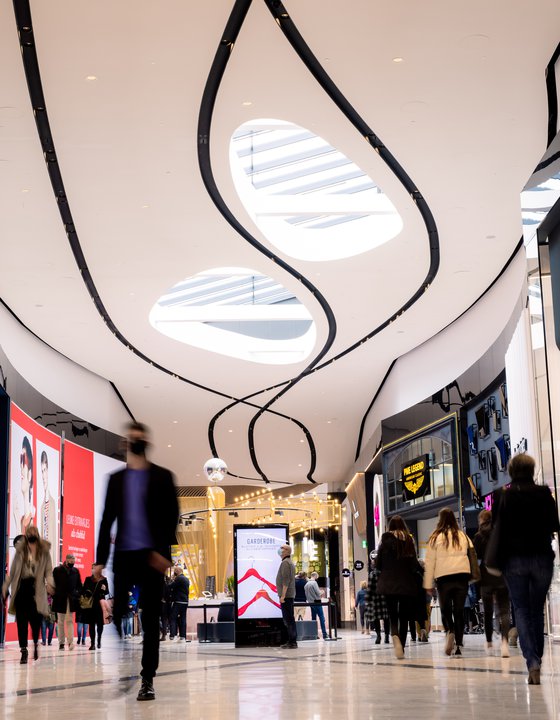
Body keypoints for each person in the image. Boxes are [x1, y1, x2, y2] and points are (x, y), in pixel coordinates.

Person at [95, 421, 179, 702]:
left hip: (151, 557)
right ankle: (127, 657)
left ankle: (147, 678)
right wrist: (99, 561)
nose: (135, 442)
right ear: (126, 444)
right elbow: (107, 520)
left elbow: (171, 517)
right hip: (125, 557)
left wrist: (164, 555)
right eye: (132, 438)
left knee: (151, 618)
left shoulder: (163, 477)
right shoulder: (116, 480)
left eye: (139, 438)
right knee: (117, 616)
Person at [490, 453, 559, 685]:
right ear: (531, 470)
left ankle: (532, 661)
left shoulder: (502, 496)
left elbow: (496, 529)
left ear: (511, 472)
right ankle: (536, 654)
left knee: (520, 608)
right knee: (537, 609)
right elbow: (553, 525)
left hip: (514, 560)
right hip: (541, 557)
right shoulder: (543, 493)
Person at [423, 507, 473, 657]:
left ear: (440, 520)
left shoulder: (435, 537)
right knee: (459, 611)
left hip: (444, 579)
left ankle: (449, 631)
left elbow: (429, 562)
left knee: (446, 610)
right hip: (462, 577)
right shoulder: (463, 536)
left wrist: (428, 584)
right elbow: (471, 554)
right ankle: (458, 643)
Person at [2, 525, 54, 664]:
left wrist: (51, 585)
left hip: (36, 592)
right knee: (22, 624)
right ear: (26, 535)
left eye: (33, 532)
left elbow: (48, 572)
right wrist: (5, 587)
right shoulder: (20, 552)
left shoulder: (44, 552)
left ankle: (36, 645)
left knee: (36, 623)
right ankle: (24, 650)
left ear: (36, 534)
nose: (31, 534)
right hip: (22, 591)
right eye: (28, 532)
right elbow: (12, 573)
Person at [376, 515, 421, 659]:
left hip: (388, 583)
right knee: (404, 616)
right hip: (406, 582)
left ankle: (393, 632)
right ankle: (401, 644)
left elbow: (378, 564)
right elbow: (414, 564)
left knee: (392, 614)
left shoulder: (384, 541)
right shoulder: (408, 539)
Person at [473, 509, 511, 657]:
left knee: (487, 612)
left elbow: (476, 561)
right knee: (504, 611)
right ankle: (504, 643)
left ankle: (489, 642)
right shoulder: (500, 534)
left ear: (481, 521)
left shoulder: (478, 537)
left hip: (485, 579)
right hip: (501, 577)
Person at [52, 553, 82, 650]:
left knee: (69, 621)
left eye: (74, 562)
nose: (73, 563)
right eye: (72, 562)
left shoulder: (76, 571)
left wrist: (76, 595)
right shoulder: (57, 570)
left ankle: (70, 642)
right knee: (60, 621)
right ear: (67, 560)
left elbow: (79, 586)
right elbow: (53, 584)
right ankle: (61, 643)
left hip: (71, 599)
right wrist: (54, 595)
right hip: (60, 599)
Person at [81, 564, 109, 650]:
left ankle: (99, 640)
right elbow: (83, 590)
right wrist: (87, 592)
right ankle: (92, 643)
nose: (94, 570)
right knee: (91, 624)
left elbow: (107, 592)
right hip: (90, 604)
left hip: (100, 604)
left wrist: (104, 589)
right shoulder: (88, 579)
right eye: (92, 568)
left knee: (100, 624)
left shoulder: (104, 579)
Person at [276, 543, 297, 648]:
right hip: (288, 595)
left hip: (287, 596)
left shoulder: (285, 563)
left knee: (288, 619)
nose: (280, 550)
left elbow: (286, 581)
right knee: (289, 618)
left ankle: (292, 641)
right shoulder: (289, 562)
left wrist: (282, 596)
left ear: (287, 551)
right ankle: (292, 641)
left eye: (282, 548)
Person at [39, 451, 57, 566]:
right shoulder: (41, 506)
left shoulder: (53, 503)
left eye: (45, 470)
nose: (43, 476)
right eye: (41, 471)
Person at [14, 436, 35, 534]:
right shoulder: (24, 518)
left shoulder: (32, 519)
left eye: (24, 461)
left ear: (30, 474)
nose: (21, 468)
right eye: (21, 460)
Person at [364, 565, 390, 644]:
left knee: (376, 619)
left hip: (375, 599)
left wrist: (367, 599)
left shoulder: (373, 574)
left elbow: (370, 588)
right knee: (386, 619)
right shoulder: (386, 573)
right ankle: (386, 636)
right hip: (385, 599)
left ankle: (378, 635)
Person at [304, 571, 328, 639]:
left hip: (310, 602)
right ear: (315, 576)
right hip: (317, 601)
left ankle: (314, 635)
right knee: (321, 618)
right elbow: (318, 593)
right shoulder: (314, 583)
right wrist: (322, 591)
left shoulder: (306, 584)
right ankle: (324, 634)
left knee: (313, 619)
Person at [169, 566, 189, 642]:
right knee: (183, 619)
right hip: (185, 601)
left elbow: (171, 586)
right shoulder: (186, 579)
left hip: (178, 601)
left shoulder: (178, 578)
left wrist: (172, 579)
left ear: (177, 571)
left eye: (174, 571)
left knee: (173, 618)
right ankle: (183, 637)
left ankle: (172, 635)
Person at [160, 575, 174, 641]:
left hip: (163, 605)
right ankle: (169, 634)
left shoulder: (163, 584)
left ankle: (164, 634)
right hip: (168, 605)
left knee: (164, 620)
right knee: (166, 620)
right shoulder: (169, 584)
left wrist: (163, 599)